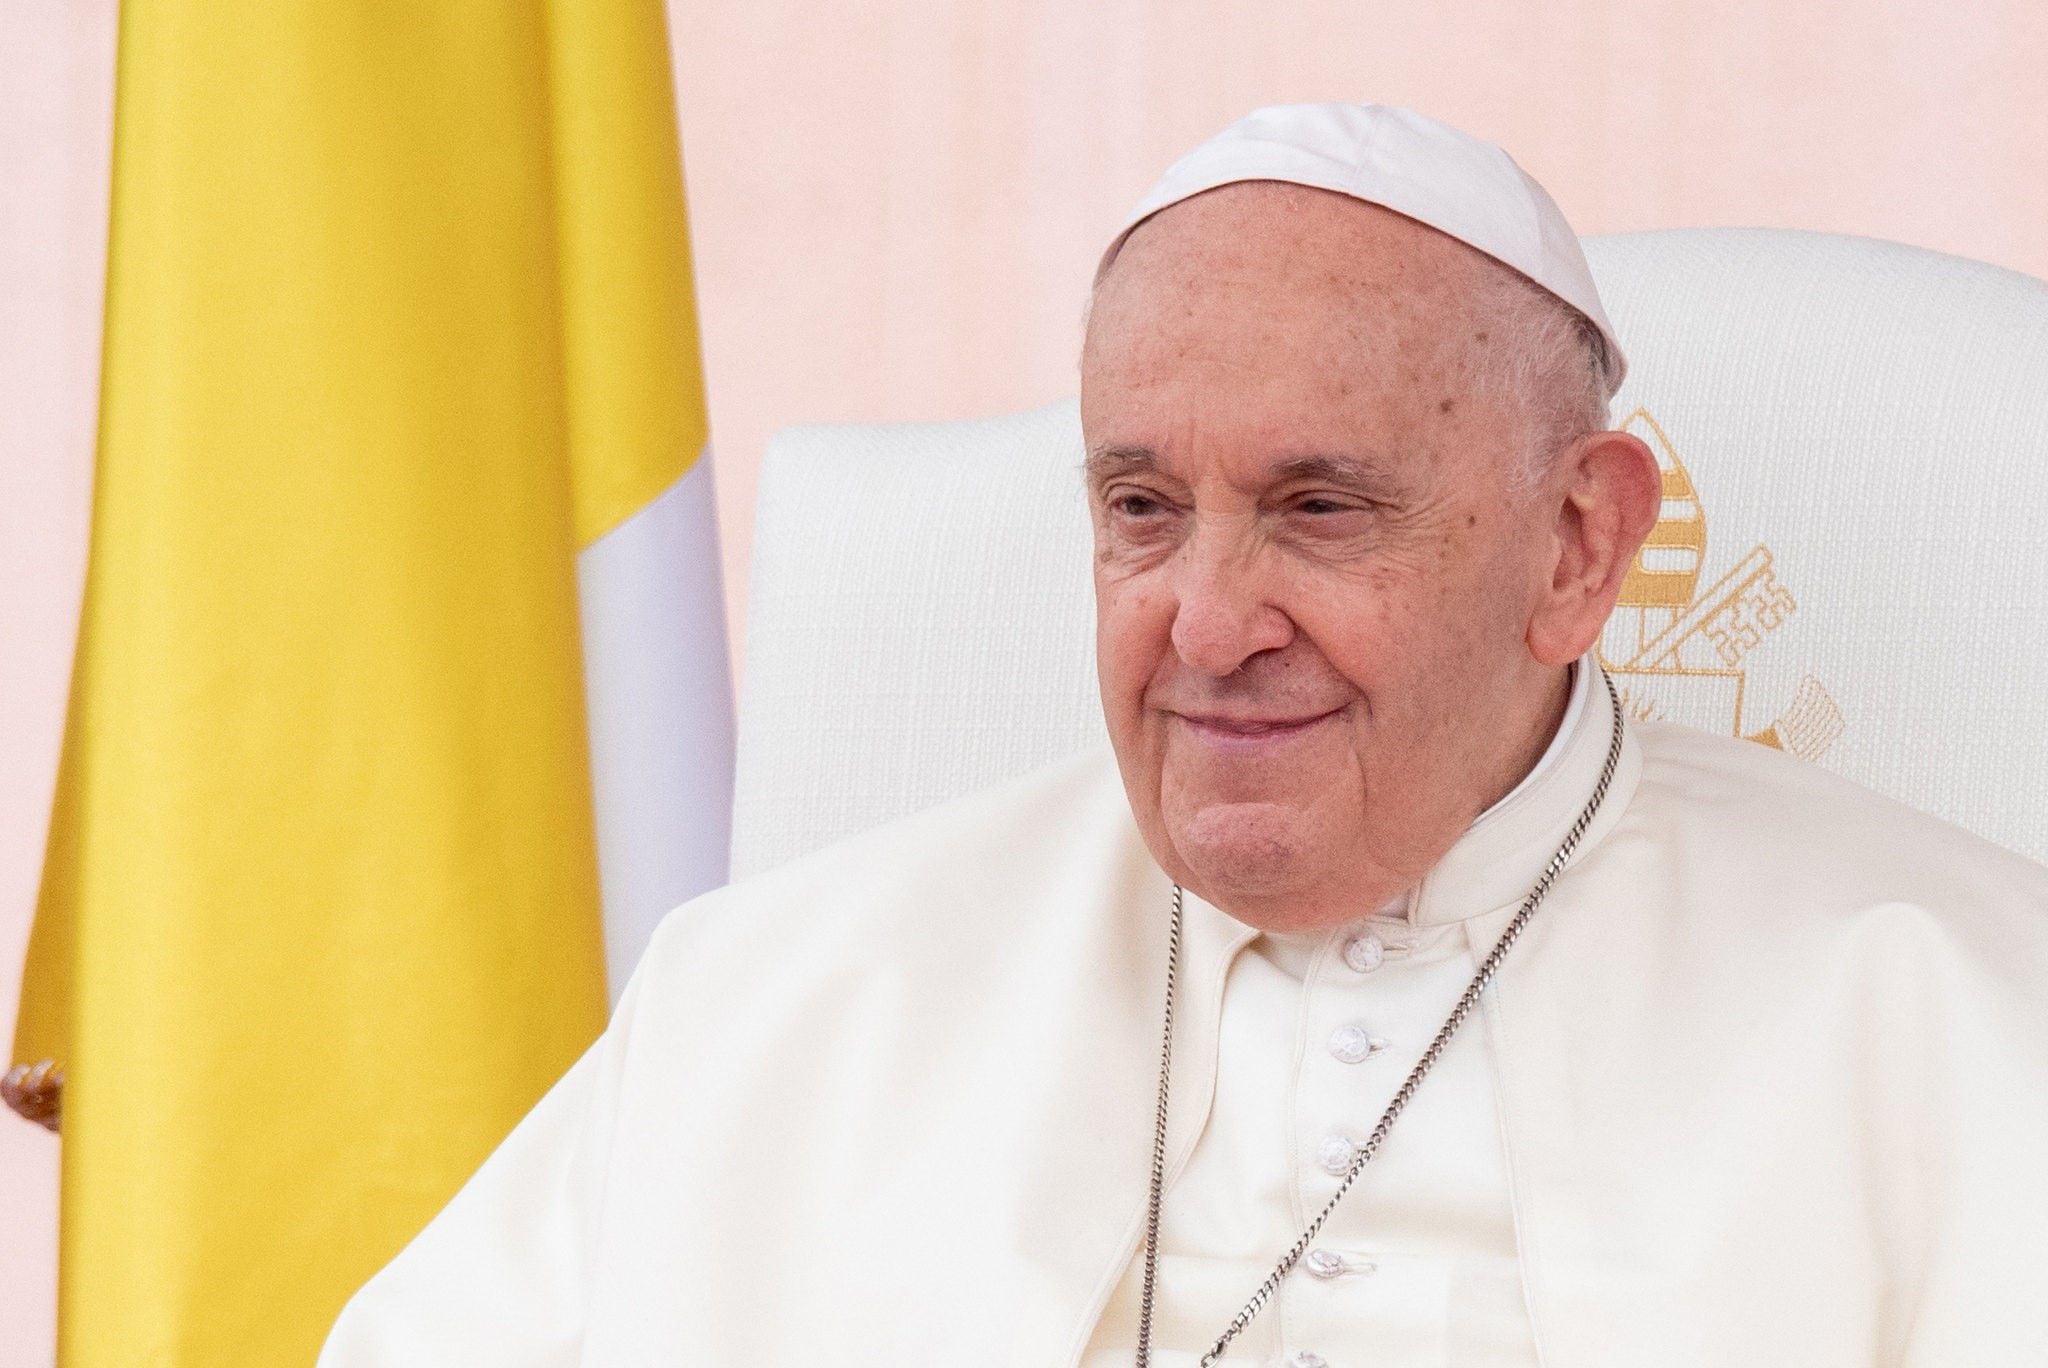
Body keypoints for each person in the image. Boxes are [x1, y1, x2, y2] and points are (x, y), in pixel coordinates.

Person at [319, 104, 2048, 1367]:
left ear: (1580, 545)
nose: (1208, 626)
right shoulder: (776, 1004)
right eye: (1142, 508)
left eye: (1319, 510)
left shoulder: (1968, 1014)